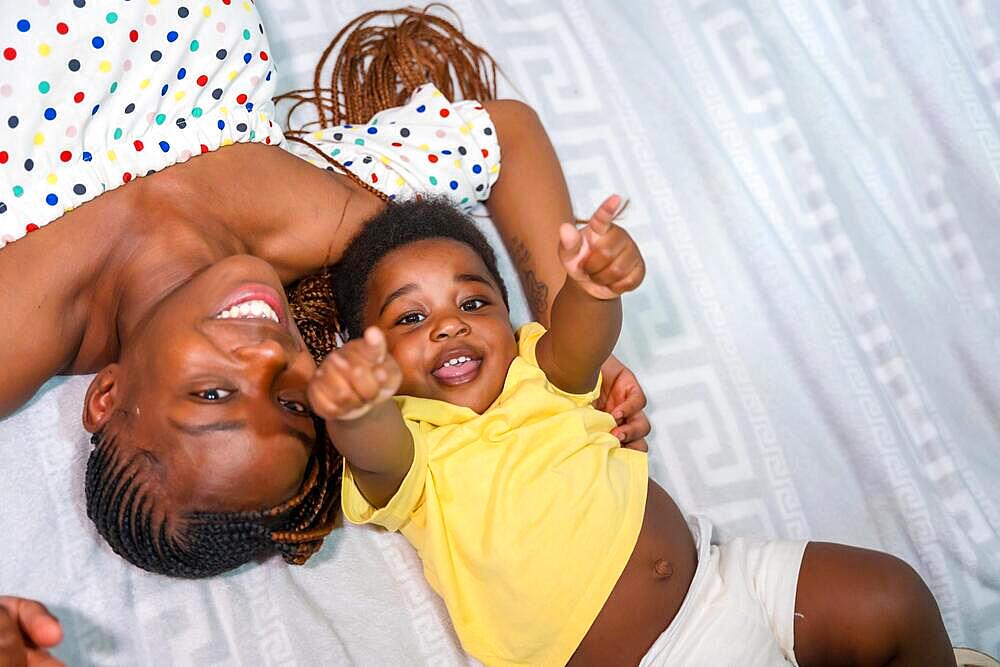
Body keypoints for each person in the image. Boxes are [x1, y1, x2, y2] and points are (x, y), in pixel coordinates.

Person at [0, 4, 648, 578]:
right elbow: (507, 137)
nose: (266, 356)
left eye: (215, 393)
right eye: (291, 397)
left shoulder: (18, 325)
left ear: (107, 394)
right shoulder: (337, 216)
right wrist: (569, 327)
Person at [311, 196, 956, 666]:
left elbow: (581, 339)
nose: (449, 326)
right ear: (373, 357)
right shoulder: (416, 445)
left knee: (891, 598)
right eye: (410, 318)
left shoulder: (535, 368)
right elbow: (374, 453)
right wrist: (353, 406)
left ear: (508, 320)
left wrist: (593, 285)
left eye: (474, 303)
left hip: (727, 578)